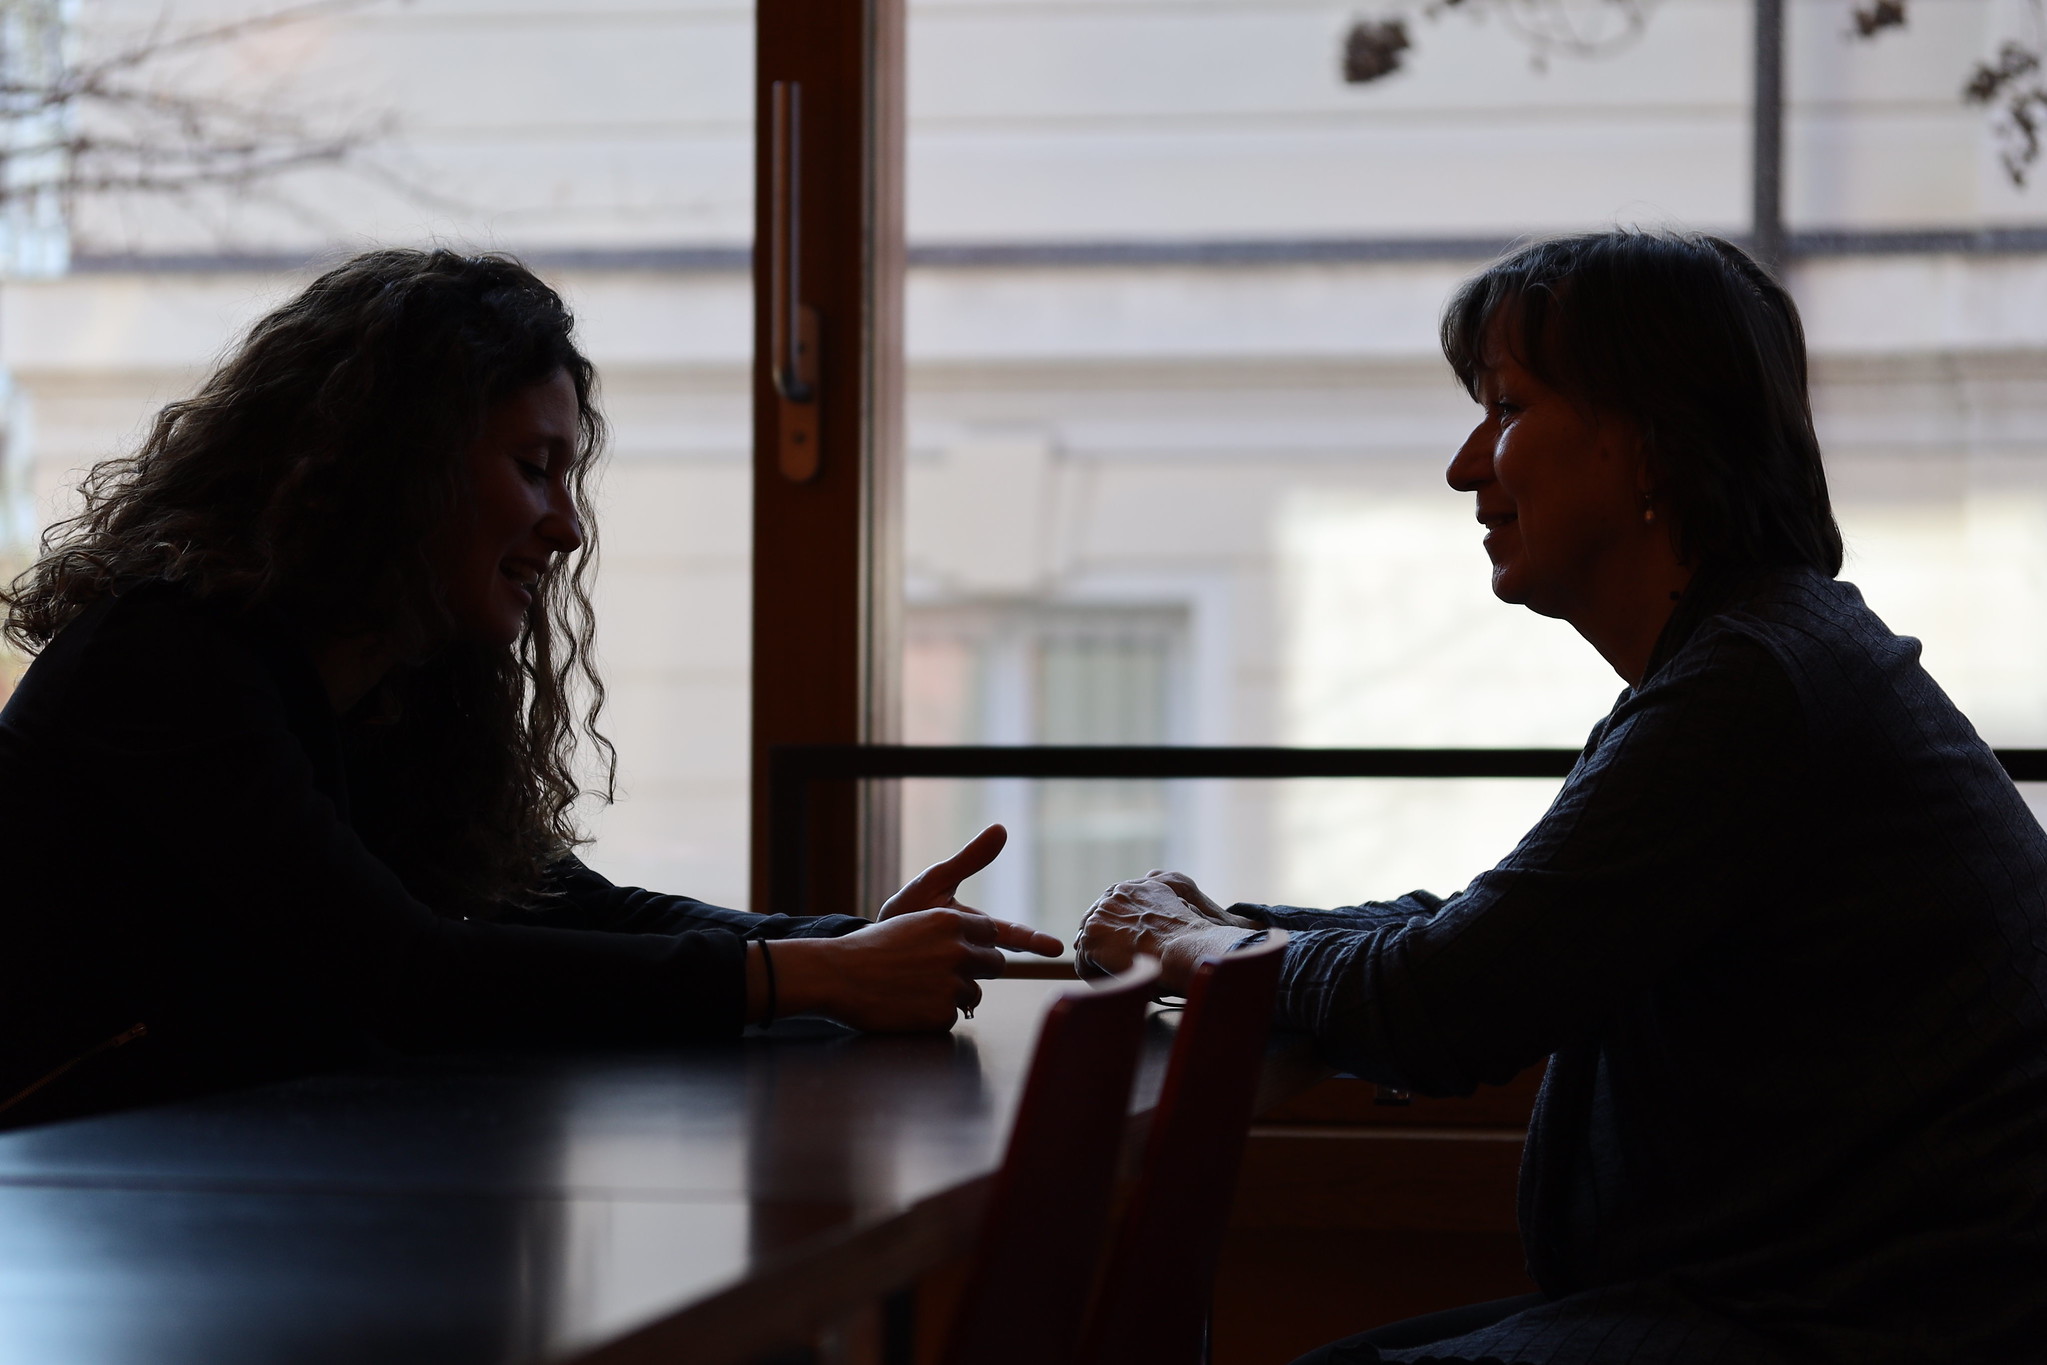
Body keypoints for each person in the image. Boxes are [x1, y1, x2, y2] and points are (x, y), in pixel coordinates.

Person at [1075, 231, 2047, 1362]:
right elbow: (1501, 934)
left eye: (1506, 409)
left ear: (1648, 444)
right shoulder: (1767, 653)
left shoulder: (1752, 686)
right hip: (1814, 1301)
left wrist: (1196, 947)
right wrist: (1229, 931)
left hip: (1850, 1325)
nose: (1464, 465)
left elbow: (1447, 1001)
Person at [0, 248, 1059, 1130]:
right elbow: (407, 974)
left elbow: (570, 910)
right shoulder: (164, 663)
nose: (568, 524)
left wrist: (836, 947)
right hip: (73, 1225)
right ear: (398, 472)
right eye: (536, 467)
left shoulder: (386, 684)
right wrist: (808, 977)